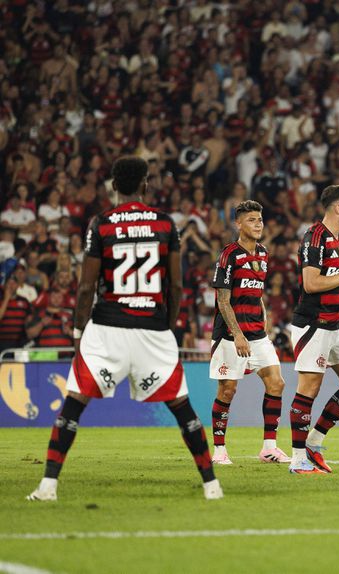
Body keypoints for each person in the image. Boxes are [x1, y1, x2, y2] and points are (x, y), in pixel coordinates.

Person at [27, 156, 222, 501]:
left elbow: (86, 288)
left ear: (114, 186)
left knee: (74, 403)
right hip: (153, 329)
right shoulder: (165, 224)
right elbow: (175, 286)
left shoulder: (101, 224)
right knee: (182, 407)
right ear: (146, 184)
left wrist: (77, 333)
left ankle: (48, 486)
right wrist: (168, 322)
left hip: (108, 328)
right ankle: (211, 485)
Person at [287, 185, 339, 474]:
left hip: (336, 323)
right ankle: (297, 460)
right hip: (312, 325)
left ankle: (314, 441)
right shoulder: (314, 238)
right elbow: (311, 283)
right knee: (309, 388)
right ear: (338, 208)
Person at [209, 200, 289, 465]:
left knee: (276, 383)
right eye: (252, 220)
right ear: (238, 224)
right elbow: (222, 300)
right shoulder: (229, 255)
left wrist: (264, 318)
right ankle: (219, 451)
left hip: (257, 333)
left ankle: (269, 448)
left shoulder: (263, 254)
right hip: (231, 335)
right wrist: (238, 334)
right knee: (228, 391)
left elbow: (257, 293)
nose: (258, 225)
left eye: (260, 220)